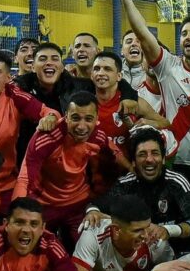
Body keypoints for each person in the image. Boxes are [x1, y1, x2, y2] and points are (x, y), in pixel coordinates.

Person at [112, 0, 190, 209]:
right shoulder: (168, 67)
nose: (188, 37)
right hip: (176, 163)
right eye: (184, 34)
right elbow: (142, 34)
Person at [12, 91, 130, 250]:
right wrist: (17, 214)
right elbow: (26, 178)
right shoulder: (45, 137)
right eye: (75, 118)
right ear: (66, 116)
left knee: (89, 252)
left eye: (88, 119)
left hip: (78, 205)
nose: (81, 126)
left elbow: (114, 157)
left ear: (97, 119)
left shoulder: (99, 138)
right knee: (39, 254)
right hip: (45, 205)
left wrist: (132, 171)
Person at [0, 51, 60, 215]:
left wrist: (50, 118)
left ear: (8, 78)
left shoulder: (15, 96)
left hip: (6, 187)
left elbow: (50, 113)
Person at [83, 127, 190, 252]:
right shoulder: (125, 184)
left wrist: (168, 231)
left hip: (176, 254)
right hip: (137, 255)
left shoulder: (177, 182)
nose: (149, 159)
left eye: (155, 153)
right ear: (133, 162)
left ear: (164, 159)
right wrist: (92, 212)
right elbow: (96, 205)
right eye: (142, 154)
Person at [73, 195, 173, 271]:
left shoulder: (156, 240)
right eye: (138, 230)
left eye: (148, 227)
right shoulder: (93, 234)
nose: (145, 235)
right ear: (116, 230)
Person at [89, 52, 169, 195]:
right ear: (91, 75)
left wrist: (146, 122)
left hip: (129, 179)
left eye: (107, 69)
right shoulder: (86, 106)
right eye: (96, 69)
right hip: (93, 180)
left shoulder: (133, 103)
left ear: (119, 76)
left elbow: (166, 123)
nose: (100, 73)